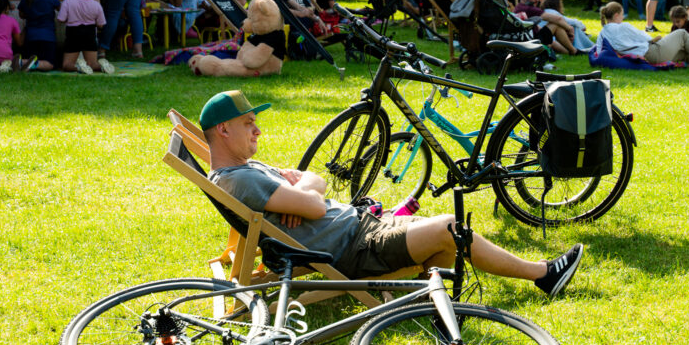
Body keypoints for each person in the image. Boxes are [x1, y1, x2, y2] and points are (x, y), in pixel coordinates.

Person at [200, 90, 584, 295]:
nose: (258, 131)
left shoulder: (244, 170)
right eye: (248, 123)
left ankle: (432, 293)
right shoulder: (242, 180)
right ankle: (543, 274)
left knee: (451, 246)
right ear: (223, 130)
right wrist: (299, 190)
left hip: (362, 229)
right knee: (451, 228)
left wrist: (300, 189)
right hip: (355, 247)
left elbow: (313, 184)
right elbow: (315, 200)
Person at [598, 1, 689, 68]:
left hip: (648, 55)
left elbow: (597, 51)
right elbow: (645, 37)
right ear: (616, 15)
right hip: (651, 52)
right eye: (622, 15)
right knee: (682, 34)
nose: (623, 18)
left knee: (685, 52)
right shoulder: (623, 27)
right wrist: (656, 39)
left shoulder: (603, 33)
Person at [59, 0, 112, 74]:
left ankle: (78, 67)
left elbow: (61, 19)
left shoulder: (69, 1)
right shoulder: (96, 5)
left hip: (73, 33)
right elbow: (101, 25)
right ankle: (101, 66)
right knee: (92, 64)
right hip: (89, 33)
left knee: (67, 64)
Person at [17, 0, 60, 72]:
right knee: (50, 64)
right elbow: (61, 9)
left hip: (30, 38)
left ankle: (22, 62)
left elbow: (21, 15)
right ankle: (34, 64)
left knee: (30, 57)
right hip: (47, 37)